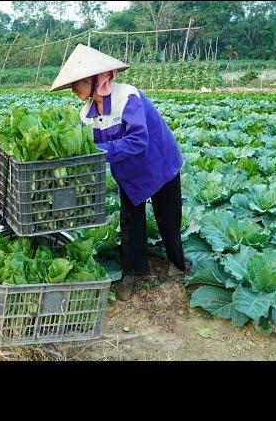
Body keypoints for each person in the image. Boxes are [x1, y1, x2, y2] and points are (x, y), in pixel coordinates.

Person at [50, 44, 187, 301]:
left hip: (159, 164)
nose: (74, 89)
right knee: (130, 221)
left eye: (77, 82)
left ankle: (178, 266)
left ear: (96, 79)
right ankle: (133, 272)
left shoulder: (128, 97)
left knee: (168, 219)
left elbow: (138, 140)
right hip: (128, 172)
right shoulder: (86, 113)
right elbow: (85, 148)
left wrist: (100, 151)